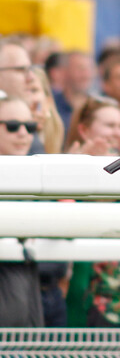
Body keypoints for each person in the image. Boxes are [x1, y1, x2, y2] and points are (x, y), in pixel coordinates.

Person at [0, 95, 45, 326]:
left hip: (27, 316)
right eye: (12, 126)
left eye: (29, 127)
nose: (23, 134)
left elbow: (57, 265)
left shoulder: (37, 182)